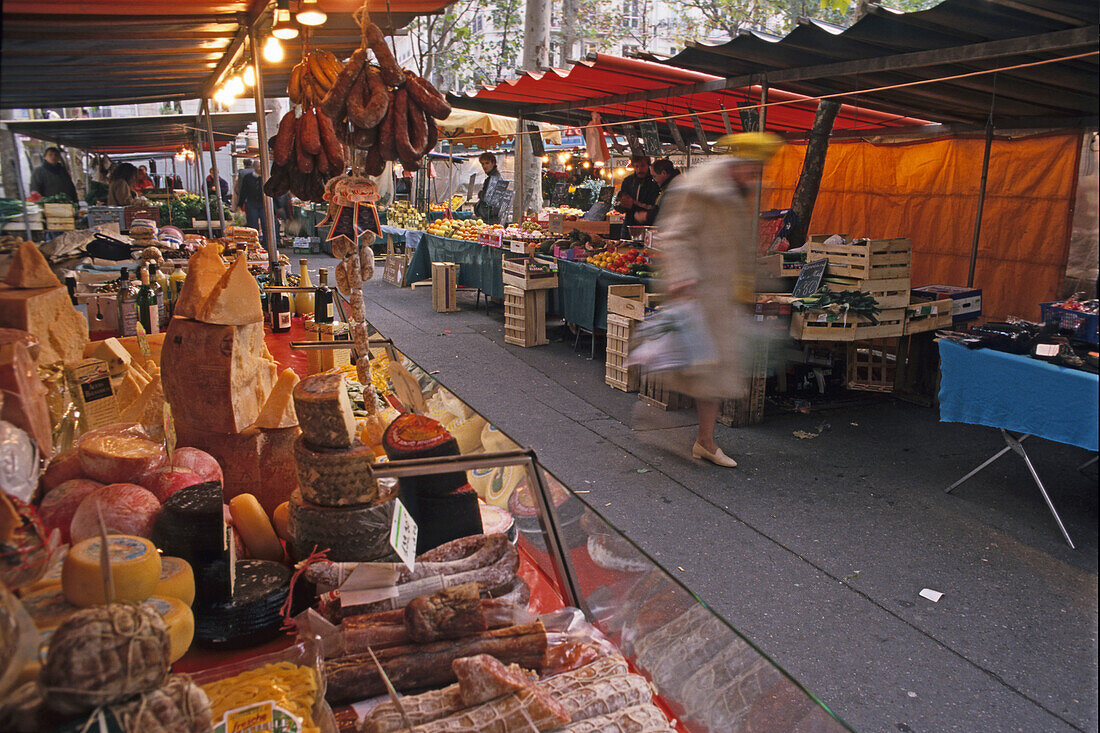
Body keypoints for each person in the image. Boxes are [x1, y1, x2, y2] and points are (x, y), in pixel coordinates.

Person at [653, 133, 784, 468]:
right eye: (752, 170)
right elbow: (675, 235)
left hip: (719, 294)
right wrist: (684, 278)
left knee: (708, 369)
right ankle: (661, 424)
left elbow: (738, 244)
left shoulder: (737, 190)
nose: (754, 178)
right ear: (738, 163)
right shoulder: (699, 188)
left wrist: (745, 283)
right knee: (689, 364)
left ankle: (704, 440)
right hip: (696, 292)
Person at [613, 154, 660, 227]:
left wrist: (633, 205)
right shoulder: (628, 181)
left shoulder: (655, 182)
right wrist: (621, 204)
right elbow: (617, 204)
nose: (639, 170)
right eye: (636, 166)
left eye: (642, 166)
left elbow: (655, 208)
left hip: (648, 226)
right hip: (629, 226)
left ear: (648, 165)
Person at [236, 159, 269, 248]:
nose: (260, 168)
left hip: (263, 204)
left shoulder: (265, 177)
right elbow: (243, 192)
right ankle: (254, 244)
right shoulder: (248, 178)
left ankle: (266, 244)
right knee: (253, 225)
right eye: (258, 166)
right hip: (251, 204)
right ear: (254, 167)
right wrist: (239, 205)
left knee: (266, 224)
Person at [647, 158, 680, 225]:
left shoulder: (674, 188)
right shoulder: (667, 186)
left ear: (664, 173)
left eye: (654, 176)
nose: (654, 180)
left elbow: (666, 213)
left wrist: (647, 216)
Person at [474, 152, 502, 222]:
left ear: (493, 163)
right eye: (482, 164)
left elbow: (486, 197)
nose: (484, 166)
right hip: (492, 216)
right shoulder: (495, 177)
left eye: (487, 163)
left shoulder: (493, 179)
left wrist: (480, 193)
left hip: (491, 218)